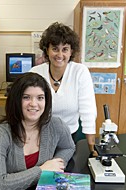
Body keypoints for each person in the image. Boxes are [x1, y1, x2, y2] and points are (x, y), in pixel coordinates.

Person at [29, 22, 97, 156]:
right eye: (55, 48)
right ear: (47, 50)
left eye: (65, 49)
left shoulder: (80, 72)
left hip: (70, 136)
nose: (60, 54)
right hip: (40, 137)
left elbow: (88, 111)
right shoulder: (35, 73)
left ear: (71, 51)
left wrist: (92, 149)